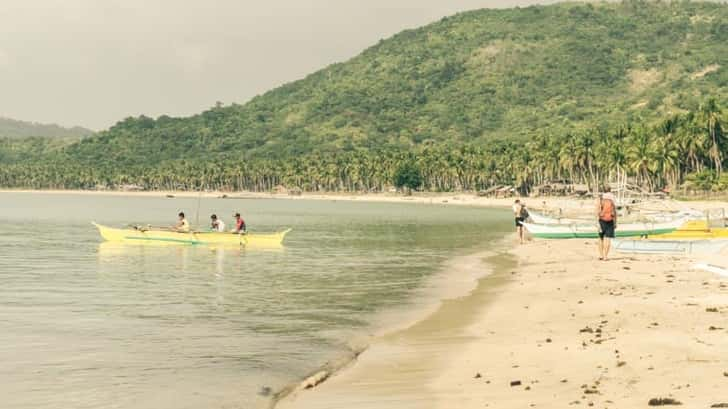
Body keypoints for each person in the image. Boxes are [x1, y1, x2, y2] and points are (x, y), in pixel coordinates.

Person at [597, 187, 617, 261]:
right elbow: (615, 211)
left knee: (600, 238)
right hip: (610, 220)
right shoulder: (612, 198)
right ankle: (605, 256)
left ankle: (601, 255)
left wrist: (597, 222)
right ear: (610, 190)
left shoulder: (601, 198)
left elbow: (597, 210)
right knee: (608, 238)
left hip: (601, 220)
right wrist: (615, 222)